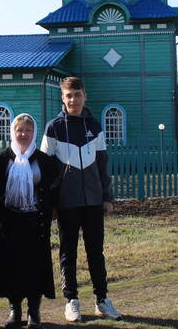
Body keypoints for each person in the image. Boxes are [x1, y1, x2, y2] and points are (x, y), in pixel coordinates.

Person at [40, 76, 123, 322]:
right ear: (62, 98)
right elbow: (46, 170)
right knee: (68, 252)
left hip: (94, 201)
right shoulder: (53, 127)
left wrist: (107, 197)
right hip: (66, 202)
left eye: (77, 95)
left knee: (96, 251)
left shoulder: (95, 127)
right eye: (68, 95)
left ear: (84, 96)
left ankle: (102, 300)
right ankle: (72, 300)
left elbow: (102, 165)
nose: (73, 100)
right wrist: (52, 203)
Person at [0, 113, 60, 329]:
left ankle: (34, 311)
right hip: (9, 222)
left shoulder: (43, 160)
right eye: (19, 130)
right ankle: (15, 310)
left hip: (36, 222)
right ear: (13, 132)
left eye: (28, 130)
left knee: (34, 265)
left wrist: (53, 207)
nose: (23, 134)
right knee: (12, 265)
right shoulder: (1, 160)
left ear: (34, 133)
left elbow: (54, 186)